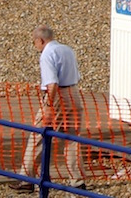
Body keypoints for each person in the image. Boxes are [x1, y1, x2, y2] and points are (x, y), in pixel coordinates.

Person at [14, 26, 85, 190]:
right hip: (74, 93)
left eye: (35, 42)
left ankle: (26, 179)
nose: (35, 46)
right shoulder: (67, 49)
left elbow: (52, 84)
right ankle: (78, 180)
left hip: (57, 96)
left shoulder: (47, 54)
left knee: (38, 136)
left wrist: (48, 106)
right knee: (72, 139)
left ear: (40, 40)